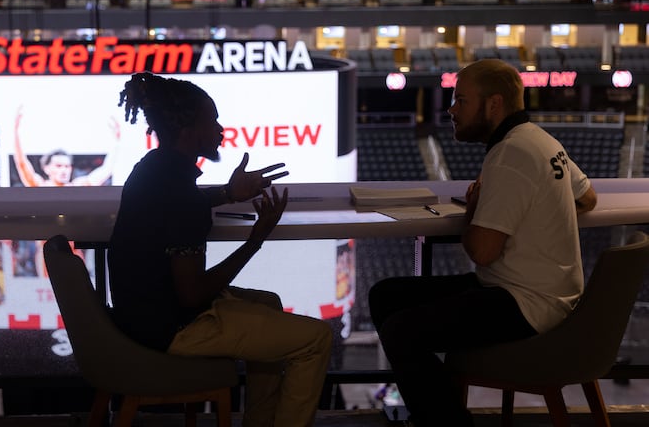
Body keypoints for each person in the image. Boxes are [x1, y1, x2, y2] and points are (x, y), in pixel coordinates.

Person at [368, 58, 598, 427]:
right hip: (545, 292)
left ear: (494, 104)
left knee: (401, 331)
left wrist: (477, 210)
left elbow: (483, 252)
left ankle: (449, 422)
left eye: (461, 100)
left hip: (526, 303)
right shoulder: (541, 141)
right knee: (386, 295)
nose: (451, 109)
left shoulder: (510, 154)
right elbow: (588, 199)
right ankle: (438, 412)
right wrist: (538, 202)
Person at [108, 72, 332, 427]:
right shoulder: (181, 194)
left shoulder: (153, 169)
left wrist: (229, 193)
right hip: (171, 329)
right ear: (189, 129)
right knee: (317, 340)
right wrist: (256, 240)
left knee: (269, 303)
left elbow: (181, 206)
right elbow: (192, 294)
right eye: (212, 120)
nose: (220, 129)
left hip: (138, 317)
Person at [12, 105, 122, 187]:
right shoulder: (40, 186)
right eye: (59, 166)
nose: (64, 170)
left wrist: (117, 141)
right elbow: (22, 163)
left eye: (67, 166)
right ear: (47, 169)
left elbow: (106, 170)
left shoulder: (77, 186)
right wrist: (16, 132)